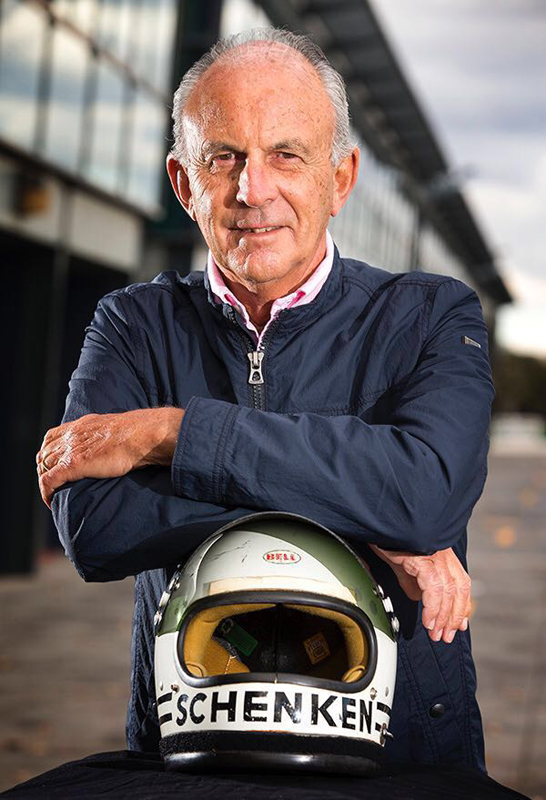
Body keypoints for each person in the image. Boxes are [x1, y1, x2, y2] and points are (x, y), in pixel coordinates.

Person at [36, 28, 493, 770]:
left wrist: (170, 436)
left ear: (340, 179)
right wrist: (366, 519)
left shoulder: (430, 316)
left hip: (402, 761)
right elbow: (96, 527)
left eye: (286, 155)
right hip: (190, 755)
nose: (252, 191)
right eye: (223, 158)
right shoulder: (133, 324)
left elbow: (426, 495)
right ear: (184, 184)